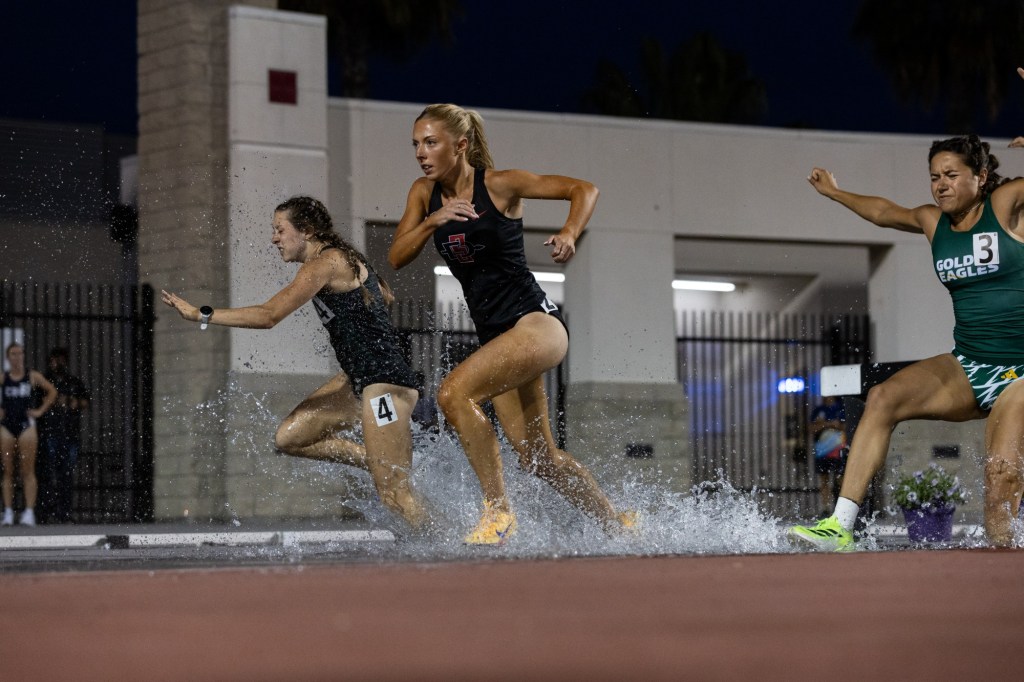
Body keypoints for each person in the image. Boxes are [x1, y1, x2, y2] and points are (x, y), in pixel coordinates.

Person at [388, 103, 634, 544]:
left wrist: (570, 232)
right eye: (416, 145)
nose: (421, 153)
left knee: (453, 394)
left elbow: (585, 189)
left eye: (431, 143)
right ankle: (617, 524)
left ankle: (498, 514)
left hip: (536, 324)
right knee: (539, 460)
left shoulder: (500, 186)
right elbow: (397, 256)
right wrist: (434, 220)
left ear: (460, 145)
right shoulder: (424, 194)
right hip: (500, 338)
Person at [789, 134, 1024, 551]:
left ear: (981, 176)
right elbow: (883, 212)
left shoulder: (1005, 204)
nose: (941, 184)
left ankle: (1003, 573)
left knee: (1000, 479)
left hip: (1020, 371)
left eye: (952, 175)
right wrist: (836, 193)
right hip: (970, 363)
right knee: (881, 398)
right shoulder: (933, 222)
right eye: (935, 177)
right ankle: (839, 527)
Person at [162, 196, 430, 529]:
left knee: (393, 495)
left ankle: (451, 551)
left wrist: (201, 313)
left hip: (384, 385)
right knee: (290, 437)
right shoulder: (343, 259)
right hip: (358, 379)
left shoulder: (325, 263)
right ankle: (376, 460)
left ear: (307, 231)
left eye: (280, 229)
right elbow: (385, 297)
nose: (274, 238)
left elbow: (268, 315)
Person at [1, 343, 58, 526]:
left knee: (28, 471)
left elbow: (52, 391)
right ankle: (8, 511)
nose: (17, 357)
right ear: (8, 357)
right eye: (13, 353)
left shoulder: (31, 376)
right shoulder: (4, 378)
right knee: (8, 471)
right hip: (7, 425)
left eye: (20, 353)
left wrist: (40, 410)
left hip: (26, 425)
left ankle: (28, 512)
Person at [38, 347, 90, 524]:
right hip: (50, 433)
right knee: (47, 474)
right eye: (54, 359)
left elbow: (84, 402)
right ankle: (44, 512)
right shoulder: (44, 381)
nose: (57, 363)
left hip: (70, 434)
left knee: (65, 476)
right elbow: (40, 403)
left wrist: (66, 401)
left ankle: (64, 513)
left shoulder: (73, 382)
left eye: (59, 359)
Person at [809, 395, 846, 516]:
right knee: (824, 480)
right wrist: (829, 424)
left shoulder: (841, 408)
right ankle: (825, 508)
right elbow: (811, 428)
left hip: (838, 450)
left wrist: (825, 424)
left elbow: (845, 426)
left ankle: (841, 507)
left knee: (840, 479)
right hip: (822, 451)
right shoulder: (819, 410)